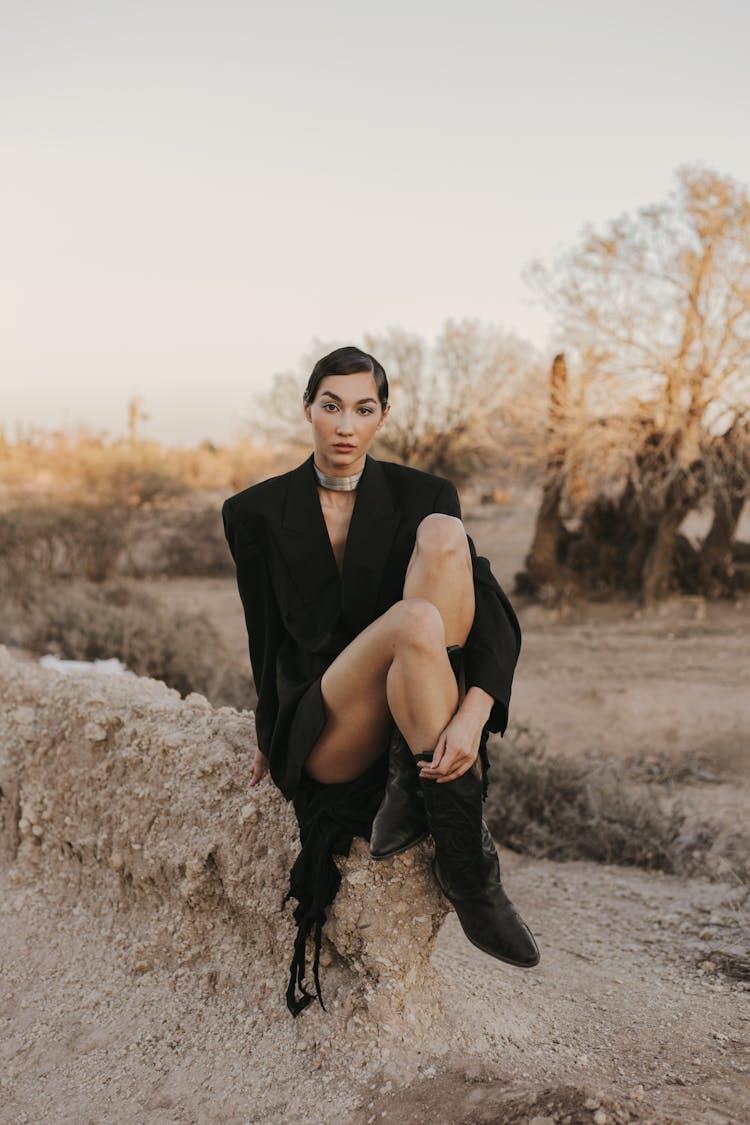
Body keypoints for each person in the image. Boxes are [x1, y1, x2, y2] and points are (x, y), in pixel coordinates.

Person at [221, 345, 539, 1016]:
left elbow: (489, 613)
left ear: (383, 416)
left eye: (363, 409)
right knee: (416, 617)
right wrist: (265, 724)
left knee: (445, 538)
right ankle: (471, 869)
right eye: (331, 406)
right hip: (326, 720)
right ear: (308, 408)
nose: (344, 425)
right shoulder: (254, 512)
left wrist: (475, 710)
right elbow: (264, 635)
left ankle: (427, 799)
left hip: (412, 699)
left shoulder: (424, 495)